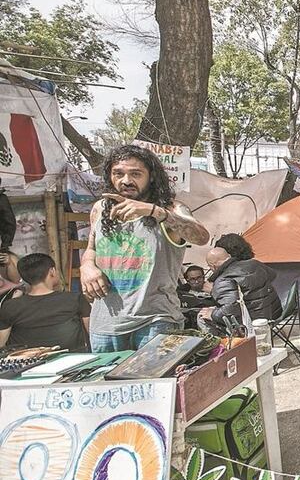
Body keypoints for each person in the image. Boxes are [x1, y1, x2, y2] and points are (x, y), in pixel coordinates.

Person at [81, 144, 210, 352]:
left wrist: (154, 211)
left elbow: (201, 236)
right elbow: (91, 248)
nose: (126, 181)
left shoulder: (170, 208)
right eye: (118, 173)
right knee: (107, 384)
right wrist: (87, 266)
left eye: (135, 174)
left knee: (157, 383)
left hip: (156, 321)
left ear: (151, 176)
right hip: (105, 324)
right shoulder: (100, 208)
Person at [0, 253, 90, 352]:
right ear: (52, 271)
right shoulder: (75, 299)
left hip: (29, 364)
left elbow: (1, 343)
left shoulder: (10, 306)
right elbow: (92, 333)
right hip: (74, 362)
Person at [199, 243, 282, 334]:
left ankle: (224, 346)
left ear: (212, 266)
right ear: (229, 256)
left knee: (202, 316)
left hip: (251, 323)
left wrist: (212, 314)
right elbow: (273, 275)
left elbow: (230, 309)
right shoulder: (253, 263)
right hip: (274, 313)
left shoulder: (223, 280)